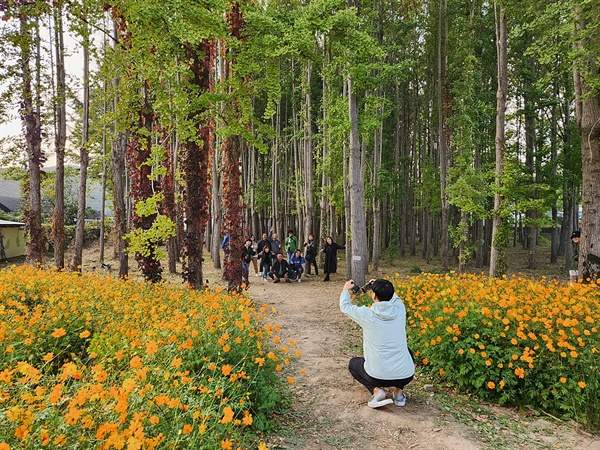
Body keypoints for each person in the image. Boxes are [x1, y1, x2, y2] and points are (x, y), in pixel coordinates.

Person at [340, 278, 415, 409]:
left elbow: (345, 307)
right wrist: (384, 287)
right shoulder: (400, 310)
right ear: (391, 295)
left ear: (374, 296)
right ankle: (399, 394)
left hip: (377, 377)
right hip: (405, 376)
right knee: (407, 352)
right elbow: (394, 299)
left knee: (354, 364)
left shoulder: (367, 314)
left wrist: (345, 290)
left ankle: (376, 391)